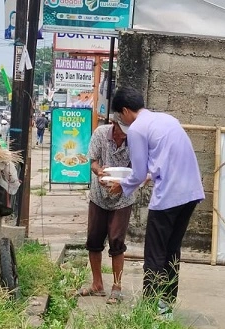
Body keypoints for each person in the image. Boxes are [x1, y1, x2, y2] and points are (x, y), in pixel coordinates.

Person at [109, 86, 205, 316]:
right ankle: (167, 305)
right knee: (172, 250)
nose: (121, 121)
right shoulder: (166, 119)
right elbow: (162, 163)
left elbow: (138, 172)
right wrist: (144, 178)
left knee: (154, 252)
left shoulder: (137, 130)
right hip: (190, 193)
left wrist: (121, 186)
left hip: (169, 196)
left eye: (120, 116)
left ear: (125, 111)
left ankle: (149, 308)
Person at [76, 116, 135, 305]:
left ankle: (116, 287)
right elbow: (93, 161)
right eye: (121, 129)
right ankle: (97, 284)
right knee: (93, 240)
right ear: (114, 124)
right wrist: (99, 171)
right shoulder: (100, 134)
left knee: (117, 241)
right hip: (99, 194)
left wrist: (123, 182)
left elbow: (137, 169)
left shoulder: (135, 139)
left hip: (123, 197)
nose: (123, 135)